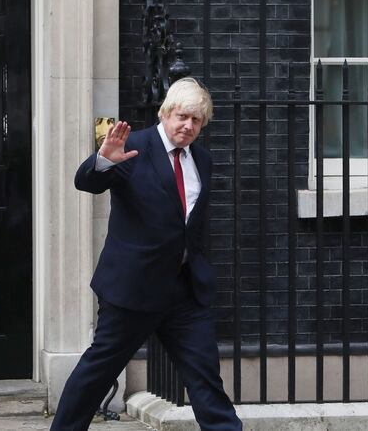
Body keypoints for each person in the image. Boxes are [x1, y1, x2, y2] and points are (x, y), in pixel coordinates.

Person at [51, 78, 242, 431]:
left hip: (184, 292)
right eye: (183, 116)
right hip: (133, 290)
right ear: (166, 112)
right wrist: (103, 162)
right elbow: (87, 182)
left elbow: (190, 223)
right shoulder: (133, 147)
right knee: (98, 372)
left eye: (196, 120)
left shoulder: (201, 159)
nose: (188, 126)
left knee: (205, 379)